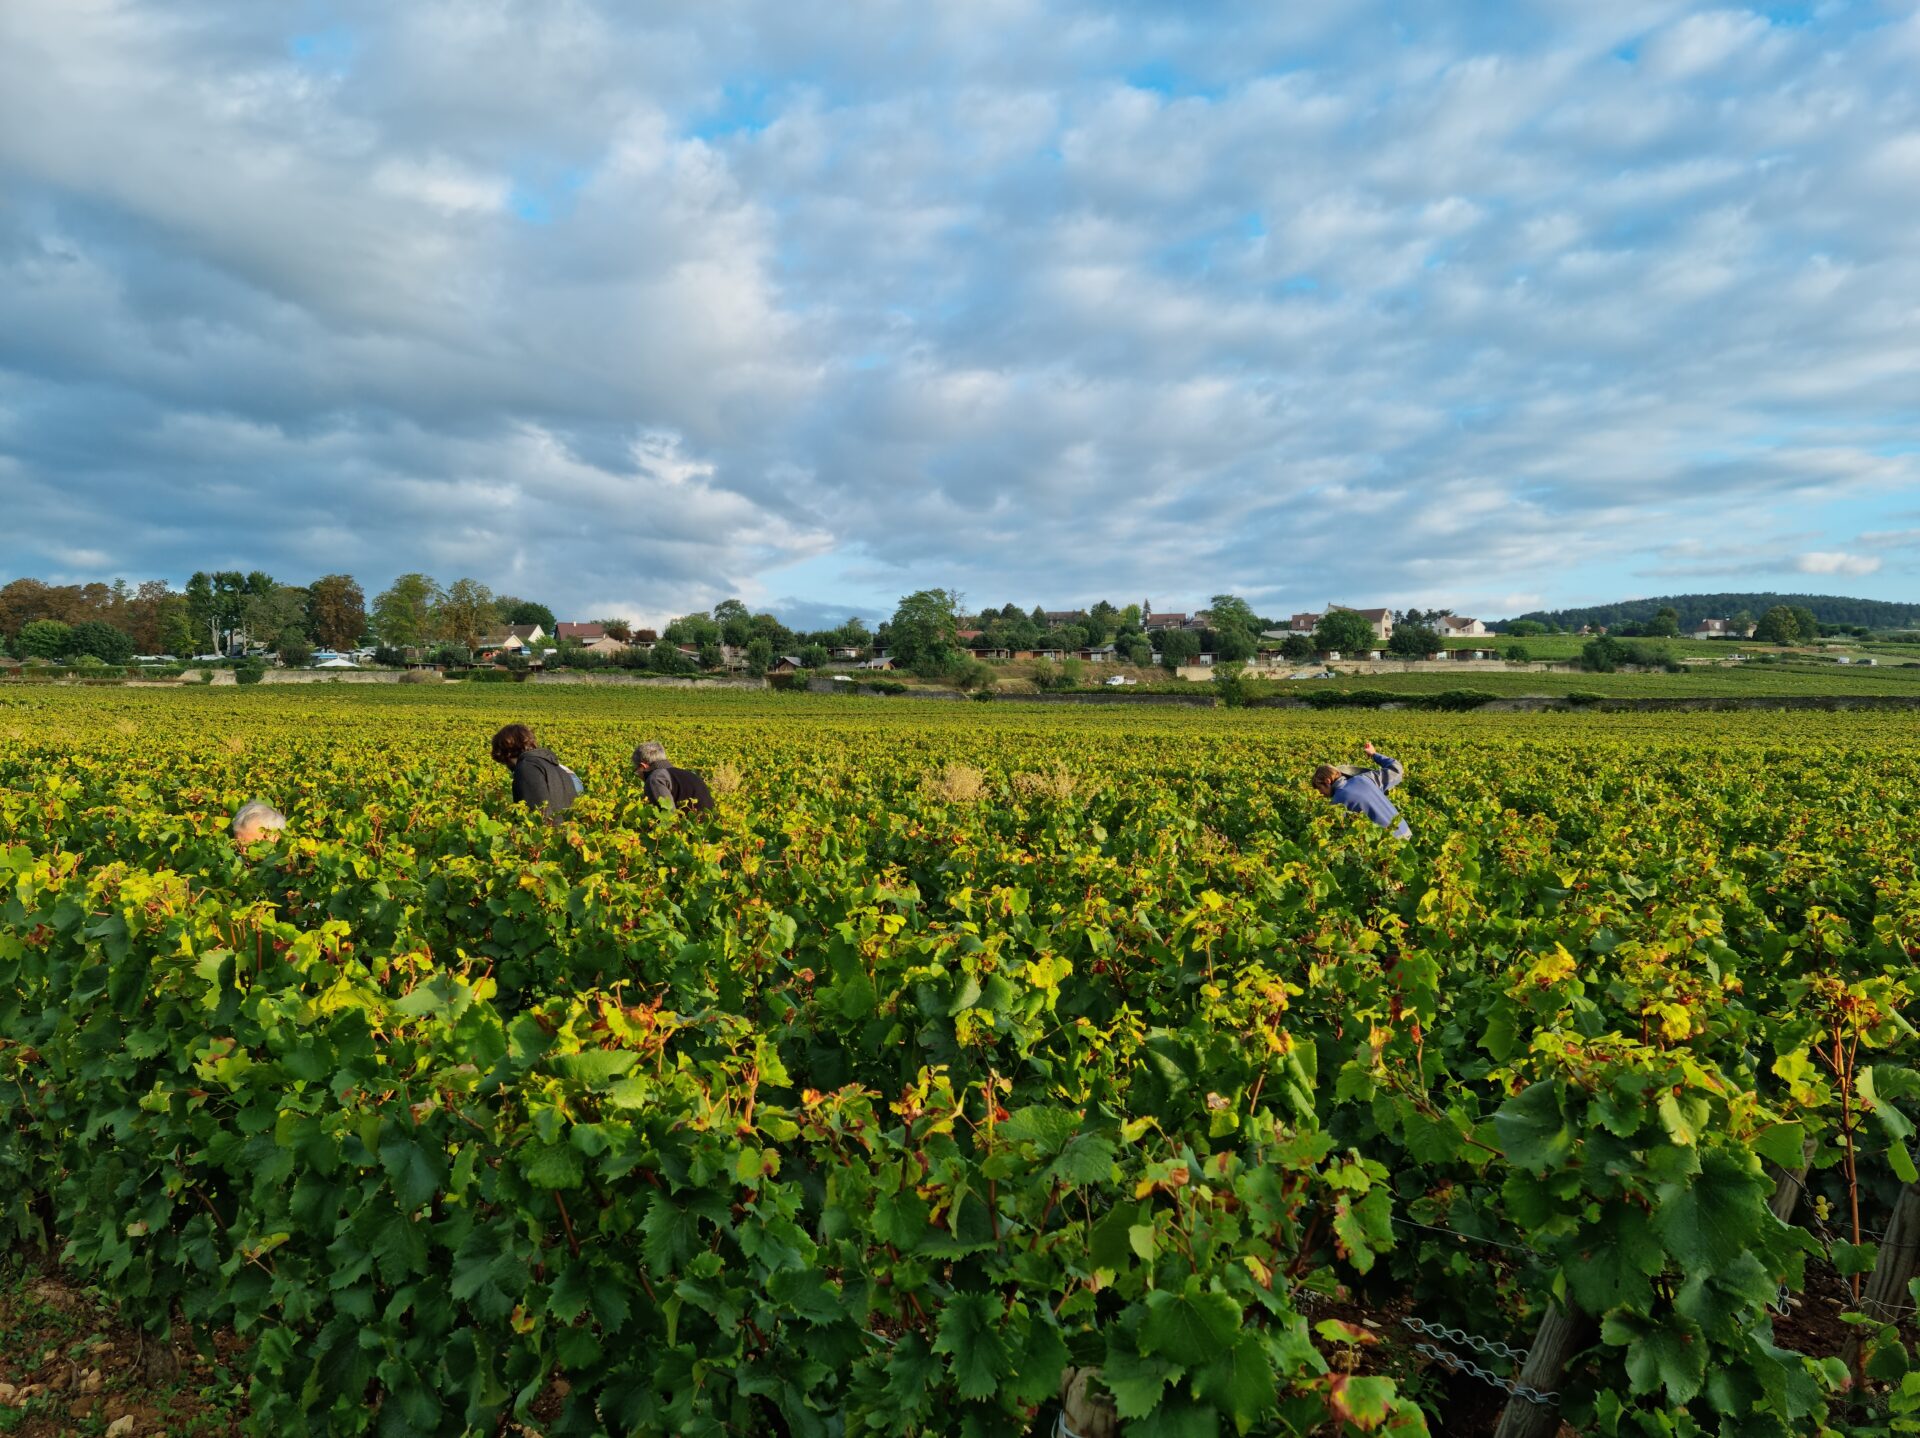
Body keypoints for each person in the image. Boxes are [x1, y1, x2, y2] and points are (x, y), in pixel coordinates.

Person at [1312, 741, 1411, 838]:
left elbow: (1341, 833)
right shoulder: (1365, 778)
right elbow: (1396, 769)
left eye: (1319, 788)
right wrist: (1374, 754)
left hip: (1389, 840)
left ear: (1327, 781)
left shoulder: (1337, 802)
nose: (1320, 793)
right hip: (1404, 830)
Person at [491, 723, 578, 821]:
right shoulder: (555, 766)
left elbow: (537, 816)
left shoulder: (527, 767)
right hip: (568, 833)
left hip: (550, 833)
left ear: (506, 751)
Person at [632, 740, 714, 813]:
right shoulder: (690, 775)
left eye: (637, 771)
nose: (638, 775)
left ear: (643, 766)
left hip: (688, 828)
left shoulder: (655, 778)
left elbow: (668, 816)